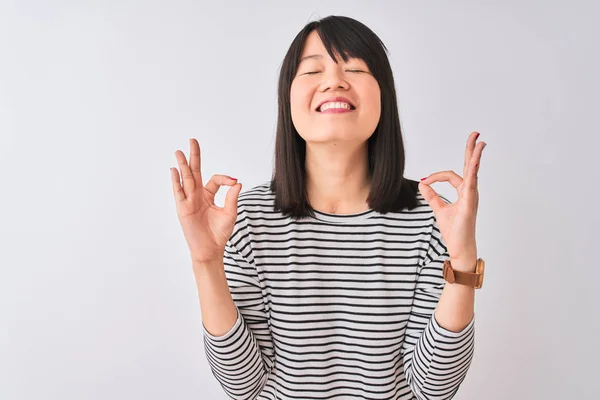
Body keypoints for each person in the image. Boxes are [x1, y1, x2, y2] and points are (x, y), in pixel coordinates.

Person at [170, 15, 486, 400]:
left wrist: (464, 262)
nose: (334, 81)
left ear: (384, 96)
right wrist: (206, 262)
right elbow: (244, 385)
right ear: (288, 98)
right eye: (313, 70)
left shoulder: (431, 217)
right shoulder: (246, 217)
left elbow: (433, 388)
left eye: (354, 67)